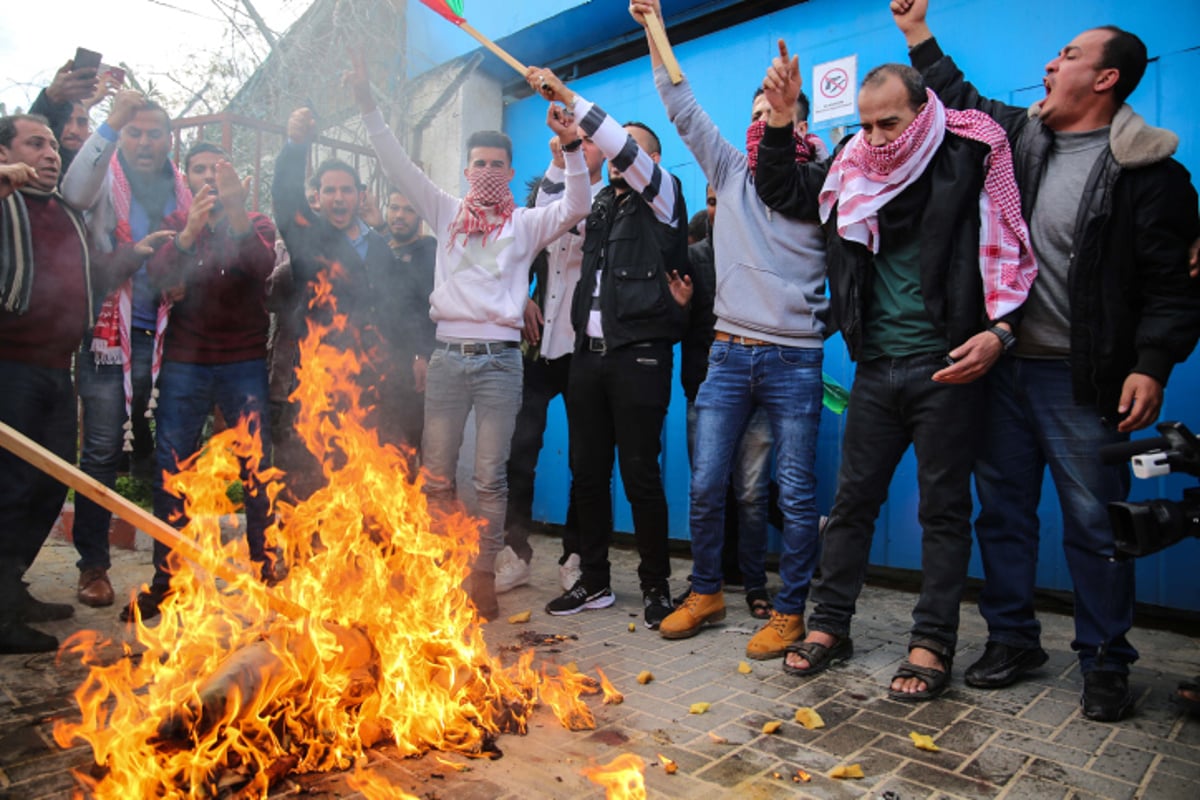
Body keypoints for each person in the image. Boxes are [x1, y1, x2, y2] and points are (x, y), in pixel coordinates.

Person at [892, 0, 1200, 719]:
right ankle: (1012, 638)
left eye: (1067, 56)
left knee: (1097, 527)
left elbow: (1171, 288)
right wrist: (916, 33)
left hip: (1082, 380)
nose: (1050, 64)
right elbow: (960, 98)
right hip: (1002, 370)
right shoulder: (1019, 142)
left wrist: (1151, 364)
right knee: (1003, 514)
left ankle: (1104, 660)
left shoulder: (1151, 175)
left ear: (1107, 78)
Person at [755, 41, 1038, 698]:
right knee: (852, 506)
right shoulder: (851, 169)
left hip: (948, 369)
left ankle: (931, 643)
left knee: (943, 511)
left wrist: (1000, 331)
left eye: (891, 123)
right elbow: (778, 186)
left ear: (924, 112)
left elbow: (1011, 254)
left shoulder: (970, 155)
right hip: (876, 368)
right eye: (867, 123)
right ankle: (829, 626)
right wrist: (780, 114)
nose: (877, 137)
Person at [351, 55, 593, 621]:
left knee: (489, 477)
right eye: (478, 162)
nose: (487, 170)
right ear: (465, 169)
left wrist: (575, 147)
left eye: (497, 164)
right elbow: (396, 165)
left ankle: (482, 574)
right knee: (436, 475)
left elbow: (578, 203)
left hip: (500, 364)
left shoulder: (526, 222)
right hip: (446, 361)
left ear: (511, 172)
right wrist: (367, 107)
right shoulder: (445, 210)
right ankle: (443, 567)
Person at [624, 1, 826, 655]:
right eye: (757, 114)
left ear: (796, 118)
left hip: (796, 360)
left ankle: (790, 611)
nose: (763, 123)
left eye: (776, 114)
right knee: (707, 482)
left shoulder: (826, 183)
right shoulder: (731, 173)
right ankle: (706, 592)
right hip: (729, 355)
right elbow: (680, 105)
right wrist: (655, 31)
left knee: (794, 494)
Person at [526, 65, 692, 630]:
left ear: (648, 162)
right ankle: (594, 582)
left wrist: (570, 95)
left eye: (629, 150)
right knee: (587, 472)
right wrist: (568, 149)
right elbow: (546, 216)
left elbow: (621, 145)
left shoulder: (665, 199)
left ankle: (656, 587)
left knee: (640, 473)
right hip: (586, 359)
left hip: (639, 357)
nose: (618, 156)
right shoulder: (596, 205)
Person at [0, 113, 167, 651]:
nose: (51, 154)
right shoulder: (6, 204)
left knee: (47, 483)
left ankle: (11, 586)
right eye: (35, 144)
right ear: (5, 154)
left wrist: (133, 258)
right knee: (9, 488)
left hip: (55, 370)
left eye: (53, 145)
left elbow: (91, 278)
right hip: (9, 368)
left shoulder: (66, 214)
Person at [123, 143, 277, 621]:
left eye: (219, 169)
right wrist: (187, 233)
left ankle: (268, 570)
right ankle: (169, 580)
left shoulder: (256, 222)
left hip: (243, 361)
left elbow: (262, 268)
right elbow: (155, 277)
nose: (210, 176)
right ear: (187, 177)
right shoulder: (175, 225)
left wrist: (235, 213)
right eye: (201, 169)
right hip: (186, 364)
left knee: (258, 469)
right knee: (172, 470)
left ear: (236, 178)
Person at [61, 90, 192, 608]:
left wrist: (182, 279)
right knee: (99, 454)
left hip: (163, 341)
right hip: (107, 340)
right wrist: (110, 123)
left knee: (168, 458)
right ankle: (93, 567)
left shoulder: (180, 192)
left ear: (167, 139)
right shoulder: (104, 183)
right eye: (133, 132)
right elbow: (72, 190)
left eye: (152, 132)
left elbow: (196, 255)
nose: (143, 141)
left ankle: (170, 572)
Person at [496, 130, 606, 595]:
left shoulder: (609, 199)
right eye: (564, 141)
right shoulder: (544, 193)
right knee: (520, 451)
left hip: (583, 344)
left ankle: (576, 553)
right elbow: (515, 250)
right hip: (538, 342)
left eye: (584, 140)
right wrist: (521, 297)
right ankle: (514, 553)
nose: (570, 145)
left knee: (586, 457)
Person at [270, 107, 393, 500]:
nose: (339, 198)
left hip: (368, 379)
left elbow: (395, 308)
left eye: (346, 190)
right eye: (330, 191)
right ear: (318, 199)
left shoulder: (379, 245)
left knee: (359, 476)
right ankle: (299, 559)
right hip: (315, 379)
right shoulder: (308, 237)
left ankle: (354, 558)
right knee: (305, 476)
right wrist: (295, 145)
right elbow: (285, 197)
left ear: (360, 196)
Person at [367, 189, 437, 461]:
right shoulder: (381, 247)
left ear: (419, 216)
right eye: (394, 208)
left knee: (407, 444)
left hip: (410, 362)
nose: (400, 215)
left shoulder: (428, 250)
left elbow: (424, 308)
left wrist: (422, 354)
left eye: (408, 210)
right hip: (376, 361)